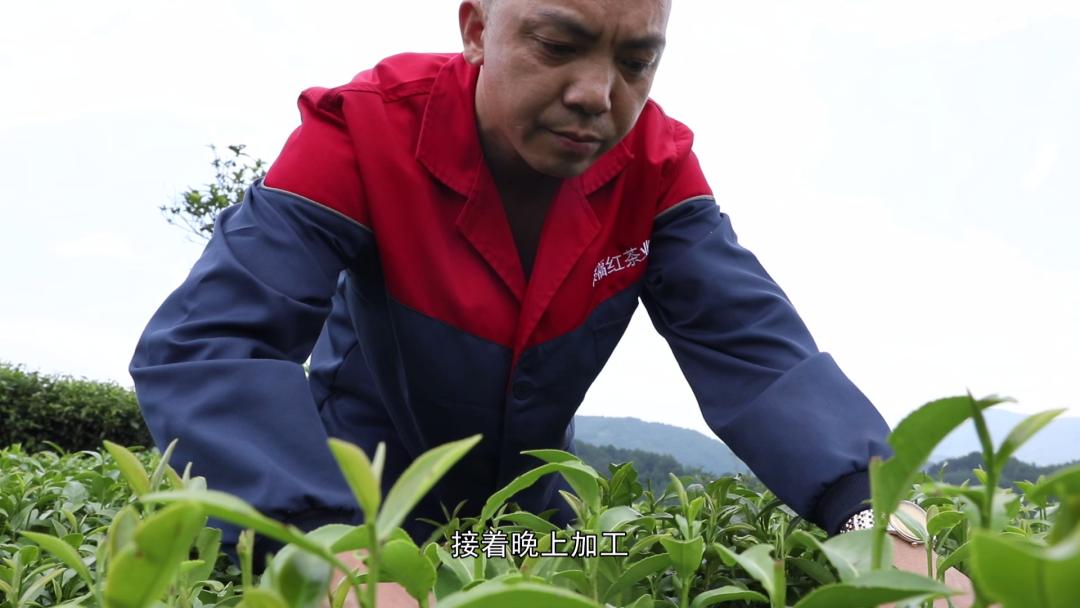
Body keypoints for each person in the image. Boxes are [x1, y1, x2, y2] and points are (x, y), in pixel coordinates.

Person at [130, 0, 972, 605]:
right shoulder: (363, 132)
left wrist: (882, 518)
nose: (597, 94)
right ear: (475, 29)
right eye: (558, 44)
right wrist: (330, 554)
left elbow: (758, 358)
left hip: (531, 527)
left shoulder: (657, 167)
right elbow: (212, 345)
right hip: (354, 507)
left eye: (636, 61)